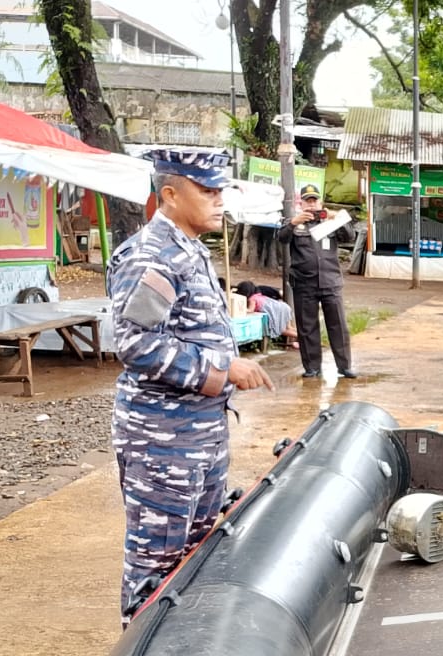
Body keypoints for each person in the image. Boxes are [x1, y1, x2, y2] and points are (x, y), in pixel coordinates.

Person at [109, 149, 273, 627]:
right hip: (163, 439)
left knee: (194, 555)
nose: (219, 201)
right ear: (170, 195)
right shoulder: (152, 256)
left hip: (196, 434)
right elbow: (135, 343)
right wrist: (223, 371)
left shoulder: (189, 250)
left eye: (221, 190)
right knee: (156, 567)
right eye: (207, 191)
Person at [277, 183, 357, 379]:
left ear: (320, 202)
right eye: (308, 201)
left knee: (338, 325)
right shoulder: (293, 222)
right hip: (304, 284)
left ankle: (344, 366)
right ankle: (312, 367)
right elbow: (282, 238)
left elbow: (349, 236)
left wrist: (336, 218)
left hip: (330, 282)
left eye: (314, 201)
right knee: (307, 327)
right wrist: (293, 223)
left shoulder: (329, 221)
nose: (312, 205)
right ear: (301, 203)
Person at [236, 280, 298, 347]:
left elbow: (250, 310)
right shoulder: (258, 295)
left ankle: (301, 338)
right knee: (289, 327)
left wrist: (241, 309)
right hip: (284, 306)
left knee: (282, 330)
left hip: (279, 311)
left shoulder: (252, 299)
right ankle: (305, 335)